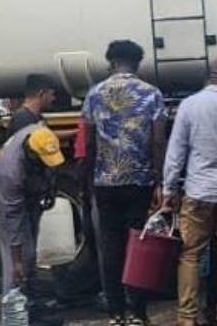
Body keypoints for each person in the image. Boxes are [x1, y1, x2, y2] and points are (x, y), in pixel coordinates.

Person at [83, 40, 168, 326]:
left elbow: (90, 141)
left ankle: (115, 311)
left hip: (105, 181)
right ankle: (137, 311)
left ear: (110, 62)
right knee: (138, 244)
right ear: (137, 63)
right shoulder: (151, 94)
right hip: (140, 180)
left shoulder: (94, 94)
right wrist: (159, 177)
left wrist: (89, 180)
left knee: (110, 244)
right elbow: (158, 140)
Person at [162, 57, 217, 326]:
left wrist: (169, 188)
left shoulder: (190, 105)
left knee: (190, 253)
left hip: (198, 190)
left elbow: (176, 151)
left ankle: (187, 317)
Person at [0, 125, 65, 326]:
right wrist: (18, 261)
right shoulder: (11, 171)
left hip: (29, 193)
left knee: (30, 252)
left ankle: (31, 307)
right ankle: (14, 318)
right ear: (31, 153)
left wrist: (50, 192)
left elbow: (52, 167)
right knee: (16, 256)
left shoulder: (42, 136)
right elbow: (13, 221)